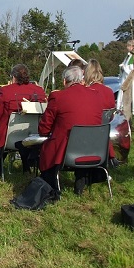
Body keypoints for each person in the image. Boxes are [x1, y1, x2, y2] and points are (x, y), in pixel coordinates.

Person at [37, 66, 107, 195]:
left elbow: (44, 128)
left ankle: (49, 183)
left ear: (64, 81)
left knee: (47, 147)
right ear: (82, 80)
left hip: (65, 151)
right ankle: (81, 181)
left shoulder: (58, 96)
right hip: (94, 148)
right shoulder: (96, 96)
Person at [0, 64, 47, 176]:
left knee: (0, 129)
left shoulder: (6, 91)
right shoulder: (39, 91)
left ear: (13, 77)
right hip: (33, 135)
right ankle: (27, 167)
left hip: (10, 137)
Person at [117, 39, 134, 118]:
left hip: (133, 79)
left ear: (132, 46)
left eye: (128, 46)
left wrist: (124, 67)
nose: (127, 48)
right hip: (126, 79)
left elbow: (132, 68)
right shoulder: (130, 54)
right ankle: (121, 109)